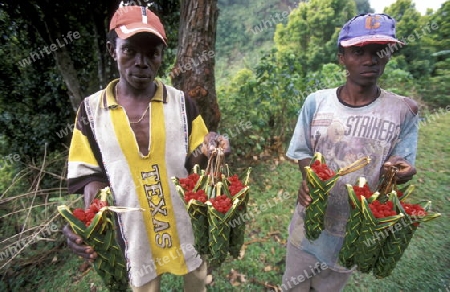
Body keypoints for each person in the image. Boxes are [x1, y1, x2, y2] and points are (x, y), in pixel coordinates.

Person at [62, 5, 229, 292]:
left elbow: (195, 163)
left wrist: (210, 147)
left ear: (161, 56)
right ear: (112, 50)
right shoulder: (91, 111)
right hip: (133, 234)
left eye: (152, 53)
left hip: (186, 225)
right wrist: (86, 224)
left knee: (197, 282)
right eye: (130, 51)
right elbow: (90, 176)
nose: (141, 62)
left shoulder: (180, 103)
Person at [281, 13, 419, 291]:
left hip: (354, 231)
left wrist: (401, 170)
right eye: (358, 51)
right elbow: (303, 151)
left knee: (330, 285)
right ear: (341, 57)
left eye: (380, 51)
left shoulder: (403, 111)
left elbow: (401, 164)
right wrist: (311, 178)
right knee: (294, 283)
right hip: (308, 225)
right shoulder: (317, 103)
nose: (370, 59)